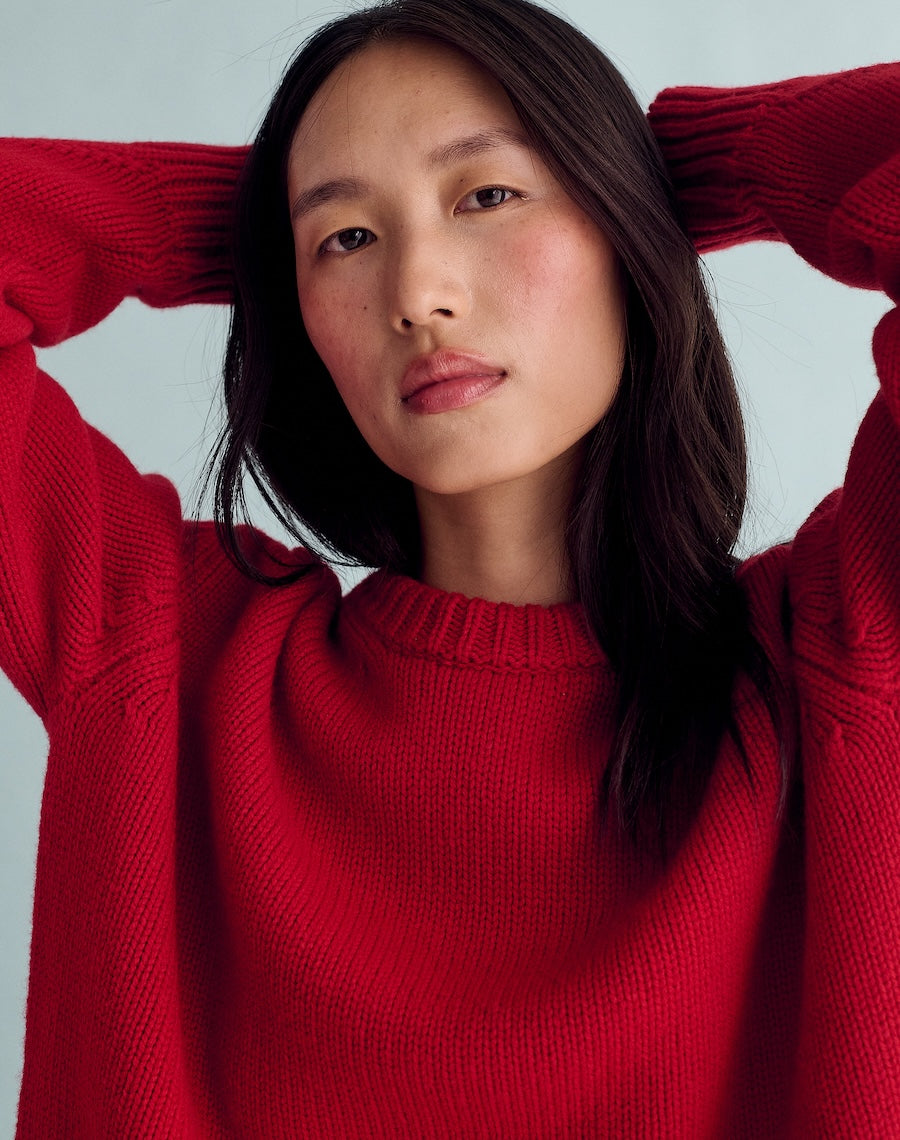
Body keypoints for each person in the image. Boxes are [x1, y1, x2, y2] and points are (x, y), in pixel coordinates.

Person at [1, 0, 897, 1133]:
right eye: (346, 240)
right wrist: (231, 225)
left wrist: (730, 165)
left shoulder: (839, 655)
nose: (417, 293)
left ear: (626, 229)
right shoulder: (161, 654)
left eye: (488, 196)